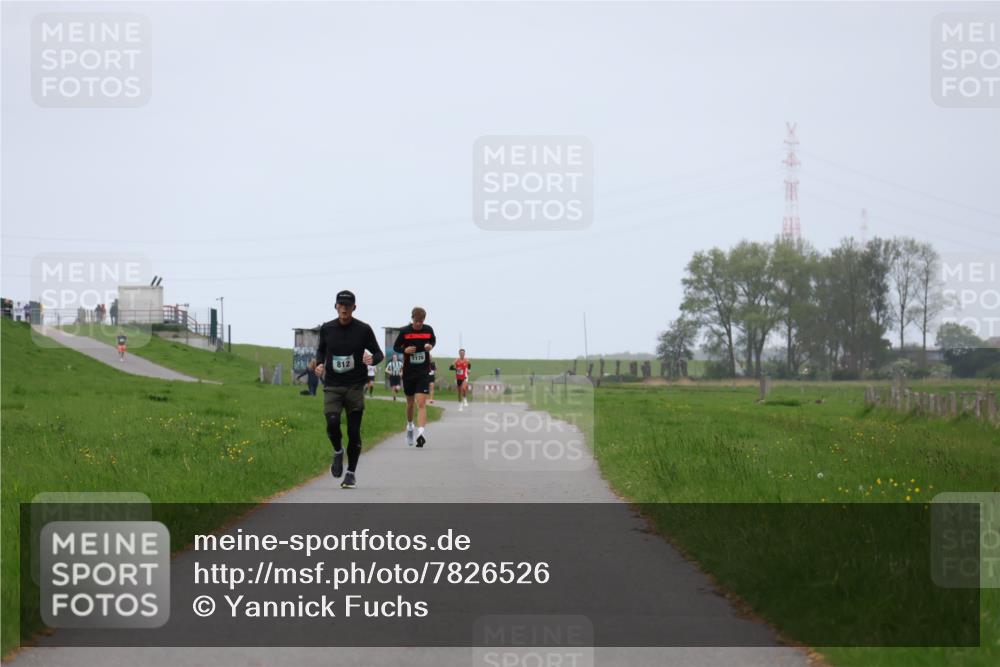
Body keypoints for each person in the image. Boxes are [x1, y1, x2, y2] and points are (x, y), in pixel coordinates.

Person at [314, 290, 384, 489]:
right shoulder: (327, 329)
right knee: (332, 422)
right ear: (336, 307)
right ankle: (338, 451)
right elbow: (321, 349)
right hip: (333, 385)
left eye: (348, 305)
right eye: (341, 305)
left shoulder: (363, 329)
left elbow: (378, 353)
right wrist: (319, 363)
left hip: (355, 386)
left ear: (354, 308)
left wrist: (373, 359)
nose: (344, 308)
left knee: (354, 432)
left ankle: (351, 473)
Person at [392, 306, 436, 448]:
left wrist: (430, 346)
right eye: (417, 321)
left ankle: (421, 433)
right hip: (408, 373)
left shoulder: (428, 329)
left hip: (423, 372)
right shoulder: (405, 331)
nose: (419, 324)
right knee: (410, 403)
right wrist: (404, 350)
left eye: (421, 321)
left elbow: (433, 341)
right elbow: (396, 347)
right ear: (412, 319)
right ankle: (410, 426)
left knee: (421, 403)